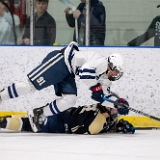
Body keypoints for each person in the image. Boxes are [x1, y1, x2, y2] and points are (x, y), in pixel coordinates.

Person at [0, 41, 125, 121]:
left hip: (68, 73)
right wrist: (95, 88)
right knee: (30, 86)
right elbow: (85, 71)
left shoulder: (106, 79)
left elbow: (104, 97)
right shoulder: (100, 61)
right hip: (60, 62)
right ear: (110, 65)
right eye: (116, 71)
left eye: (118, 73)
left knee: (70, 99)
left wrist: (118, 104)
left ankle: (39, 114)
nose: (115, 74)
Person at [0, 97, 135, 134]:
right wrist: (110, 123)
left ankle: (4, 121)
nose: (115, 114)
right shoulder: (98, 116)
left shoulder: (102, 113)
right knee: (27, 124)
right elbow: (93, 129)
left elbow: (103, 124)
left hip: (62, 115)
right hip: (59, 121)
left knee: (27, 123)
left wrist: (116, 126)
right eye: (115, 110)